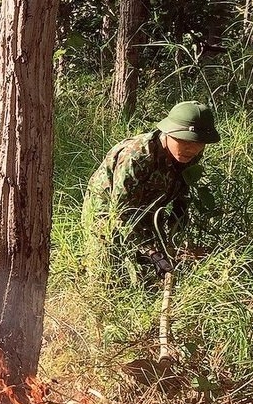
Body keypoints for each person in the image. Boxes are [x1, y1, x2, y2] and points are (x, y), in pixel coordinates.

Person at [81, 101, 221, 284]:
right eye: (184, 140)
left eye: (199, 142)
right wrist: (152, 251)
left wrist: (173, 239)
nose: (192, 148)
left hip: (149, 209)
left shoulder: (189, 154)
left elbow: (182, 198)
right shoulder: (137, 156)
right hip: (107, 212)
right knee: (106, 277)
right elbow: (121, 213)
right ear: (168, 133)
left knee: (151, 277)